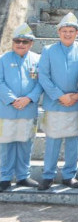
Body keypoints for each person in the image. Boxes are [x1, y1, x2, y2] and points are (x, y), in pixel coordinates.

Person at [37, 13, 78, 190]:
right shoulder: (48, 50)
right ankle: (48, 175)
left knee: (72, 140)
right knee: (52, 139)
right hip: (55, 102)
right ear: (58, 32)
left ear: (77, 33)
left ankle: (69, 175)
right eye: (64, 31)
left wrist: (77, 95)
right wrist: (59, 95)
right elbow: (43, 76)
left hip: (76, 102)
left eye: (71, 31)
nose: (67, 34)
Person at [0, 24, 42, 191]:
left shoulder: (38, 60)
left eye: (25, 41)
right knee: (6, 144)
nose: (21, 44)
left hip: (28, 108)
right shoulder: (3, 59)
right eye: (17, 41)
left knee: (26, 143)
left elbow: (41, 82)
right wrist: (11, 100)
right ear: (13, 42)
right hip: (7, 109)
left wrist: (29, 98)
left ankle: (23, 176)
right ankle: (5, 176)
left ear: (31, 43)